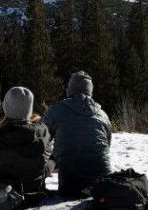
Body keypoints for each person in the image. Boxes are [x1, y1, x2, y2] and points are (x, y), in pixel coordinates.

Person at [43, 71, 112, 199]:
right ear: (90, 91)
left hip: (71, 186)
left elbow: (40, 140)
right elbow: (107, 145)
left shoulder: (56, 111)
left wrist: (54, 159)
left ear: (70, 90)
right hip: (104, 185)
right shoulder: (103, 115)